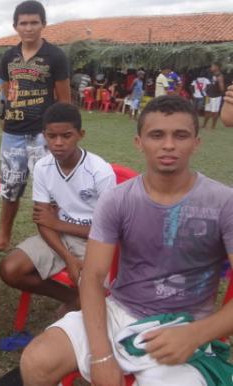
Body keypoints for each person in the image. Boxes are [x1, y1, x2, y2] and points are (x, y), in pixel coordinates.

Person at [20, 95, 233, 386]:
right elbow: (93, 278)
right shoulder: (118, 200)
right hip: (119, 311)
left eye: (180, 135)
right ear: (139, 142)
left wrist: (197, 334)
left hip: (185, 323)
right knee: (36, 361)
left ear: (196, 142)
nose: (168, 145)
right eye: (157, 135)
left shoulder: (224, 202)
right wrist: (101, 356)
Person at [0, 103, 115, 317]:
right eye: (51, 136)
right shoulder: (43, 167)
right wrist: (67, 257)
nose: (58, 143)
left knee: (98, 292)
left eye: (66, 136)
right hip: (57, 238)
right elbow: (43, 219)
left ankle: (87, 301)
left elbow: (108, 230)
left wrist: (58, 223)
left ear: (81, 135)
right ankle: (72, 298)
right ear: (44, 135)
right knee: (10, 269)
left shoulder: (100, 171)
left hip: (94, 242)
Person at [0, 0, 70, 253]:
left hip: (43, 135)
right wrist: (5, 119)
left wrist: (63, 134)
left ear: (43, 24)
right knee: (10, 189)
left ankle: (55, 240)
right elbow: (6, 93)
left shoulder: (55, 56)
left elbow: (64, 100)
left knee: (50, 190)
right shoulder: (8, 57)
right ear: (15, 26)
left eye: (34, 22)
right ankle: (3, 237)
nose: (29, 28)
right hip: (13, 134)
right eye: (23, 23)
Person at [203, 62, 225, 130]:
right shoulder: (212, 75)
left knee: (214, 111)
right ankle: (204, 125)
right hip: (208, 96)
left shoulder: (219, 76)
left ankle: (213, 126)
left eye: (212, 66)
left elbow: (222, 88)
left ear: (217, 67)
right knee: (207, 110)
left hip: (215, 96)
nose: (211, 68)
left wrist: (220, 93)